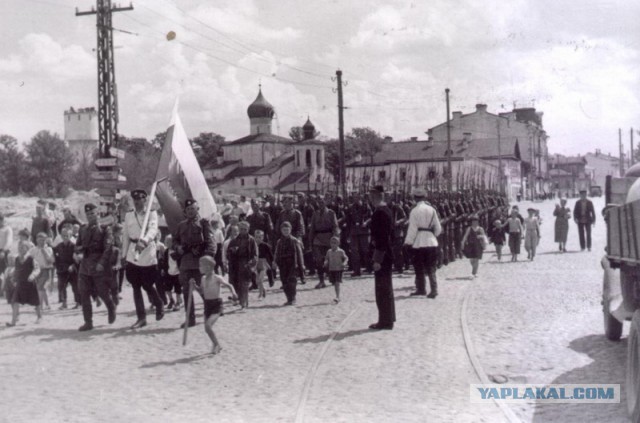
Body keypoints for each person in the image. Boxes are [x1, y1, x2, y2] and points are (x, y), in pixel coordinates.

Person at [122, 189, 165, 329]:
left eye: (139, 199)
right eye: (135, 200)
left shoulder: (151, 213)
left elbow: (153, 230)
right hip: (132, 253)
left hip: (147, 252)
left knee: (147, 284)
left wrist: (144, 241)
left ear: (145, 200)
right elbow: (126, 236)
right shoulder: (129, 215)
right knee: (135, 286)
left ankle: (158, 303)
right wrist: (123, 255)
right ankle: (141, 318)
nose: (137, 202)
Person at [172, 198, 216, 328]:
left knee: (204, 290)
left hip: (200, 263)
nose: (191, 211)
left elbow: (211, 243)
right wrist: (178, 248)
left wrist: (208, 260)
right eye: (188, 209)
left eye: (193, 209)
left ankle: (210, 311)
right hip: (186, 262)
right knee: (186, 292)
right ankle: (190, 319)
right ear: (185, 211)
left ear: (198, 209)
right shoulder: (181, 226)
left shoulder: (204, 224)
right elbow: (175, 241)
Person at [75, 203, 116, 331]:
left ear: (97, 214)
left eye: (92, 213)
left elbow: (108, 248)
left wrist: (101, 264)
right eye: (88, 214)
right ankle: (88, 322)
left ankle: (111, 306)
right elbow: (77, 246)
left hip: (98, 266)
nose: (90, 216)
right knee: (84, 294)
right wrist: (79, 251)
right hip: (85, 266)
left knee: (103, 293)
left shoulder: (105, 229)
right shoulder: (82, 229)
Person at [404, 188, 442, 299]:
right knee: (431, 267)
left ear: (415, 198)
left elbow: (412, 229)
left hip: (419, 242)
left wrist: (408, 242)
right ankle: (434, 289)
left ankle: (421, 289)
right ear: (424, 197)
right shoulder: (432, 209)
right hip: (431, 241)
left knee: (419, 267)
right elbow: (438, 227)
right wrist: (433, 235)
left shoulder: (414, 211)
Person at [196, 256, 238, 354]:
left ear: (208, 267)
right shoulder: (203, 278)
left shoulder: (217, 278)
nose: (199, 267)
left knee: (207, 326)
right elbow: (201, 291)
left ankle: (217, 344)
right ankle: (215, 344)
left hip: (216, 305)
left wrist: (233, 293)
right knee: (207, 329)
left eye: (201, 265)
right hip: (207, 305)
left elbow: (229, 285)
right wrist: (194, 287)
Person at [368, 186, 395, 330]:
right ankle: (388, 318)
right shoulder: (385, 211)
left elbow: (382, 238)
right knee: (386, 288)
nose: (370, 199)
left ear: (378, 196)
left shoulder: (380, 213)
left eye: (372, 196)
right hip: (385, 253)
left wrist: (377, 259)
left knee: (382, 289)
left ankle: (385, 321)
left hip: (382, 255)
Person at [6, 239, 41, 326]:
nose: (20, 249)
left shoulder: (31, 259)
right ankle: (13, 321)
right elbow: (17, 270)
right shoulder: (17, 259)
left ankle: (39, 316)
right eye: (19, 247)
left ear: (27, 248)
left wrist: (33, 275)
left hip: (30, 283)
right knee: (15, 301)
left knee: (35, 301)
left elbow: (37, 269)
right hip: (20, 283)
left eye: (23, 247)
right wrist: (13, 278)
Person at [309, 195, 340, 289]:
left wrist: (335, 239)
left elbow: (335, 226)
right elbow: (312, 228)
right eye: (319, 202)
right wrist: (310, 241)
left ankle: (333, 278)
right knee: (318, 261)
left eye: (322, 201)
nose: (320, 204)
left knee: (330, 260)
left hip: (329, 238)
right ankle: (321, 281)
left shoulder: (331, 213)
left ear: (325, 202)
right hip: (318, 239)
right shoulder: (315, 213)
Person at [227, 221, 257, 309]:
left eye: (245, 229)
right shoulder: (234, 240)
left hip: (246, 263)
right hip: (235, 264)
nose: (243, 231)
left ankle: (244, 302)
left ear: (248, 229)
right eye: (241, 229)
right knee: (236, 283)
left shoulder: (251, 240)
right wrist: (232, 251)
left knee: (244, 284)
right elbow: (228, 252)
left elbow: (255, 253)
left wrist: (252, 262)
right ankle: (240, 300)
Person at [274, 221, 302, 306]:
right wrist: (275, 261)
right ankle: (288, 298)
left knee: (292, 281)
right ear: (281, 231)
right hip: (283, 264)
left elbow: (299, 253)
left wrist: (300, 265)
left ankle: (293, 298)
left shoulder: (294, 240)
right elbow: (277, 252)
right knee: (284, 281)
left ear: (290, 230)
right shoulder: (280, 241)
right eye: (284, 230)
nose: (285, 231)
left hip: (292, 263)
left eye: (287, 230)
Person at [29, 232, 54, 311]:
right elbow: (30, 259)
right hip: (36, 271)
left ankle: (40, 305)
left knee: (40, 287)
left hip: (45, 270)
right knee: (41, 289)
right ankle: (47, 304)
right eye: (39, 240)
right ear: (36, 240)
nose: (41, 242)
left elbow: (50, 261)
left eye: (43, 240)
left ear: (46, 240)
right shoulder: (33, 250)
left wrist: (44, 251)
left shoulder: (49, 249)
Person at [53, 228, 76, 310]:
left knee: (75, 287)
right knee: (62, 286)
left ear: (70, 236)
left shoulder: (74, 246)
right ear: (61, 237)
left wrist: (73, 265)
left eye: (67, 236)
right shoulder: (59, 246)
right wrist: (57, 267)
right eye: (64, 236)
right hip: (62, 270)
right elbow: (56, 258)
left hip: (72, 269)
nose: (65, 237)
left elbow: (77, 259)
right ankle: (64, 303)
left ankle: (78, 302)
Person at [159, 235, 182, 311]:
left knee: (178, 289)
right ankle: (171, 300)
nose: (166, 243)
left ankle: (178, 302)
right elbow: (164, 261)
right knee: (167, 288)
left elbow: (180, 260)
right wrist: (163, 269)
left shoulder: (177, 250)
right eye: (166, 241)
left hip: (177, 272)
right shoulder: (166, 251)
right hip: (169, 272)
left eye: (169, 241)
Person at [324, 236, 348, 303]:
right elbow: (326, 258)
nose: (333, 244)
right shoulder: (329, 251)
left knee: (337, 283)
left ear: (338, 244)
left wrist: (344, 263)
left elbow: (346, 258)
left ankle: (337, 297)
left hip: (339, 269)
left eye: (335, 243)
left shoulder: (341, 251)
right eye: (331, 243)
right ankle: (337, 294)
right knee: (334, 283)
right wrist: (325, 262)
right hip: (332, 269)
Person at [254, 230, 272, 297]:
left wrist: (272, 263)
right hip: (256, 263)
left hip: (263, 263)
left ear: (262, 237)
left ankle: (260, 294)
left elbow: (271, 255)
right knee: (257, 281)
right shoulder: (253, 245)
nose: (258, 239)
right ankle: (264, 289)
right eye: (256, 237)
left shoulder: (265, 246)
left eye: (259, 237)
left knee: (260, 280)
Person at [0, 214, 14, 281]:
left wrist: (3, 251)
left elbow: (9, 241)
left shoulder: (7, 229)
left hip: (4, 252)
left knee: (5, 271)